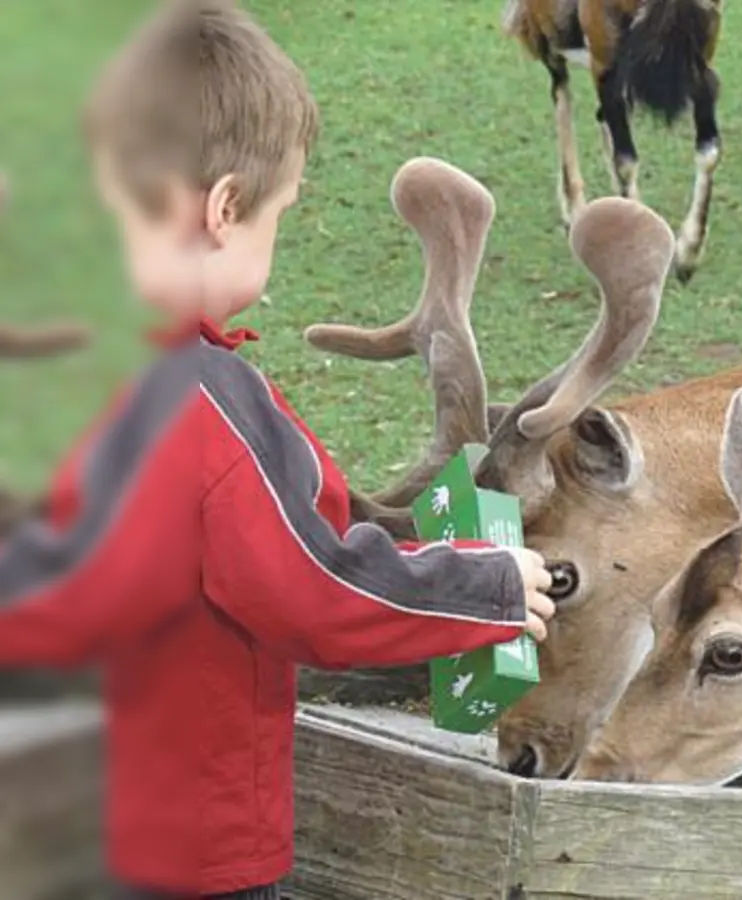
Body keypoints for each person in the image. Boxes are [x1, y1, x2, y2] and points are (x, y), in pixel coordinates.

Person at [0, 3, 557, 897]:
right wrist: (481, 585)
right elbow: (312, 587)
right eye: (280, 213)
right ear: (223, 208)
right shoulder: (198, 399)